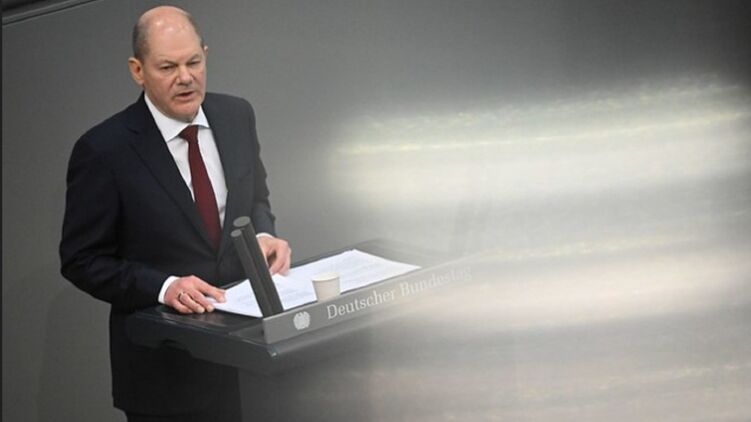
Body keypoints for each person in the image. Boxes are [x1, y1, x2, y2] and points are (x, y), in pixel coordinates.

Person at [59, 6, 291, 422]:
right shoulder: (104, 150)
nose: (185, 77)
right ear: (137, 70)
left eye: (194, 62)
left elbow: (255, 198)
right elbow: (82, 259)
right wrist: (163, 287)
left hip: (252, 367)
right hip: (167, 380)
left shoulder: (237, 115)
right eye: (168, 67)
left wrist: (263, 236)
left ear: (206, 55)